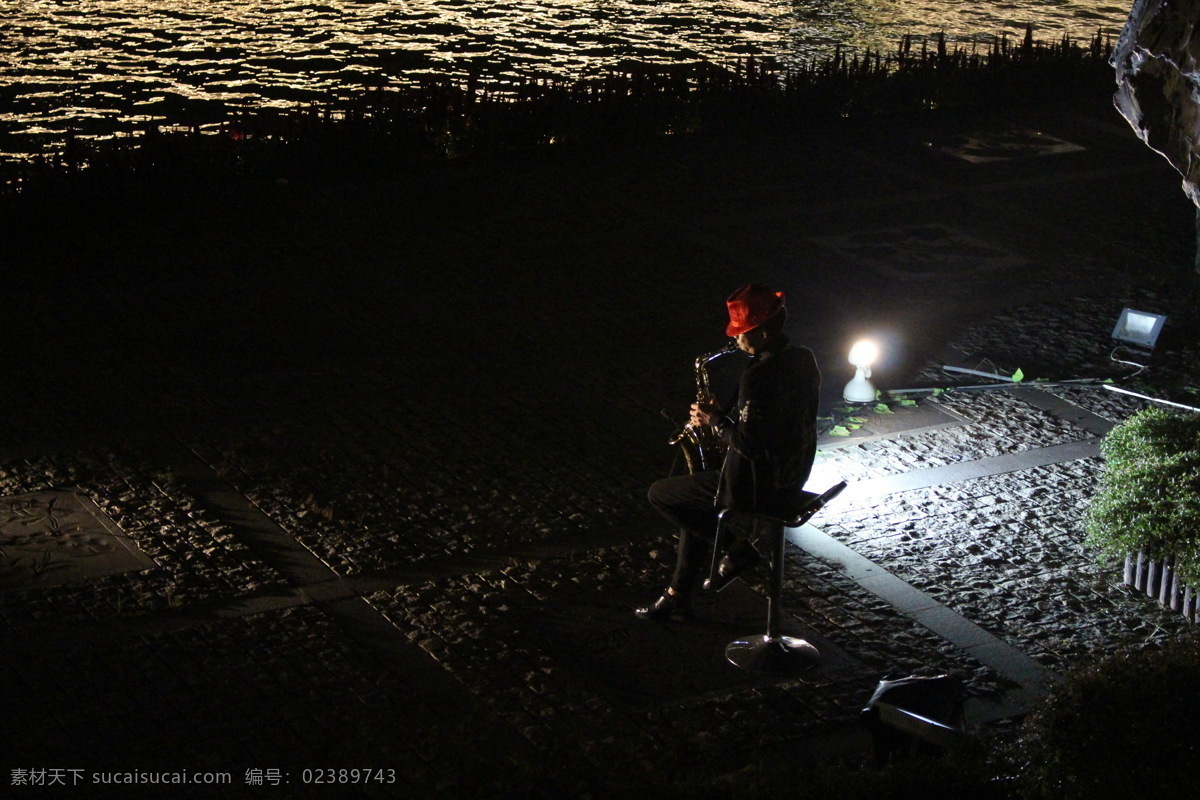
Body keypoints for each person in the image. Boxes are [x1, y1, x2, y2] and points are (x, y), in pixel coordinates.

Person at [636, 282, 821, 621]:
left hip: (757, 483)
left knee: (661, 494)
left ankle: (737, 551)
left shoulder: (759, 375)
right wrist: (725, 417)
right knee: (696, 505)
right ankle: (678, 594)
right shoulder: (803, 358)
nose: (736, 339)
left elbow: (748, 444)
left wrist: (715, 419)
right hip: (793, 472)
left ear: (763, 332)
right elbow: (777, 421)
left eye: (742, 332)